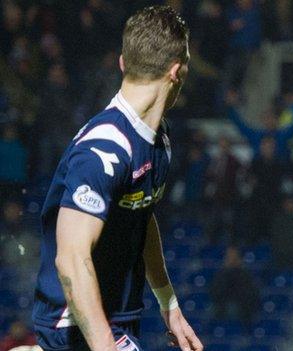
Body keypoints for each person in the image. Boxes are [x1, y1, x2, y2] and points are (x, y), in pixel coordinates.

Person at [31, 6, 203, 351]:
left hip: (118, 315)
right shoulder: (104, 149)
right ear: (177, 72)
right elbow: (70, 258)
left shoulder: (158, 141)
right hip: (74, 322)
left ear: (123, 62)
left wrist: (169, 305)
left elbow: (139, 215)